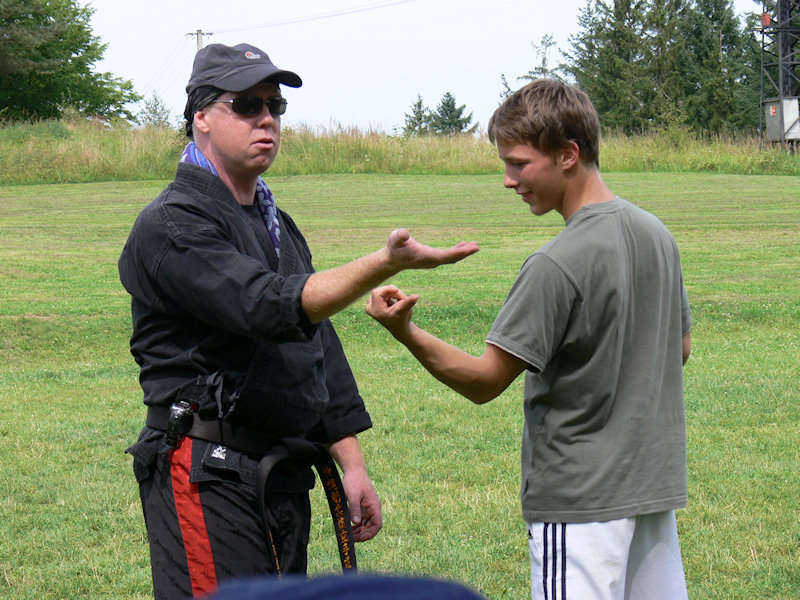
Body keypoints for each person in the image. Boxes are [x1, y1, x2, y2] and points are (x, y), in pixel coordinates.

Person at [118, 42, 478, 600]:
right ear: (202, 117)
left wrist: (351, 463)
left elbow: (317, 345)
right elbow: (265, 304)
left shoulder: (274, 221)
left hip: (278, 472)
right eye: (246, 105)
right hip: (205, 471)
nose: (267, 118)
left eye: (275, 106)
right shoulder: (172, 222)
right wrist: (384, 262)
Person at [366, 79, 692, 600]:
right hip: (652, 491)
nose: (507, 180)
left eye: (518, 164)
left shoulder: (554, 264)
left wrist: (405, 331)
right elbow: (680, 348)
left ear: (568, 154)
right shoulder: (657, 234)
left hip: (580, 501)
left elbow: (484, 381)